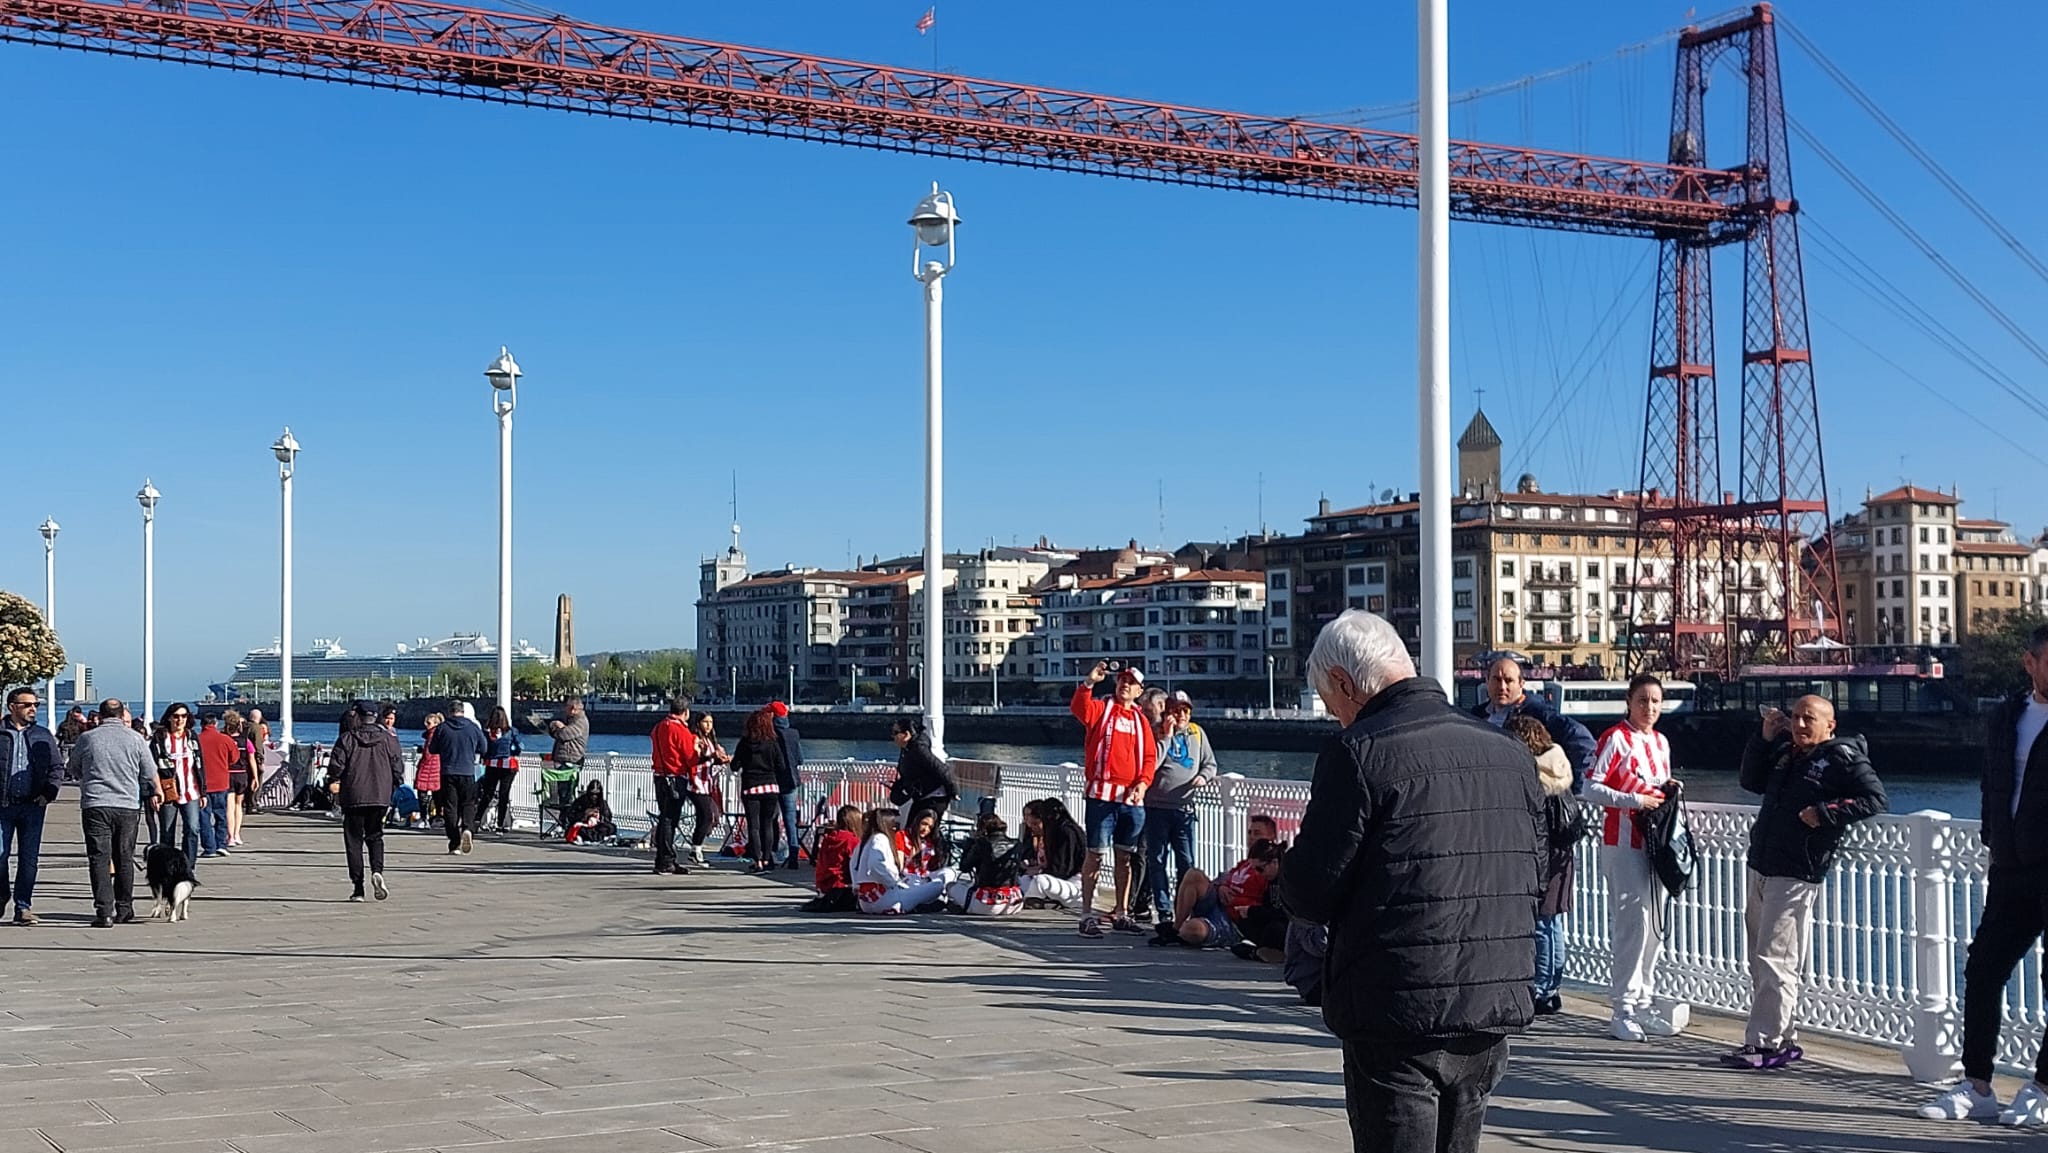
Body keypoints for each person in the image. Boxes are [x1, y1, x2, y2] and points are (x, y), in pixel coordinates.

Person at [1279, 610, 1543, 1153]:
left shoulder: (1359, 754)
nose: (1338, 720)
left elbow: (1310, 890)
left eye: (1334, 707)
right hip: (1489, 997)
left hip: (1396, 1004)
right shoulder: (1510, 755)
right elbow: (1534, 867)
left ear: (1345, 684)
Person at [1921, 621, 2048, 1123]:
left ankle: (2041, 1088)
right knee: (1983, 970)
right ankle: (1976, 1087)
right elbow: (1992, 782)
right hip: (2012, 867)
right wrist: (1994, 840)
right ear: (2030, 663)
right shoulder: (2007, 716)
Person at [1727, 695, 1886, 1071]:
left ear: (1830, 725)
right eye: (1795, 717)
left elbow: (1875, 799)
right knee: (1760, 958)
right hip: (1763, 862)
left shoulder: (1842, 757)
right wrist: (1763, 739)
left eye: (1808, 719)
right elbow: (1751, 781)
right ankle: (1782, 1036)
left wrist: (1826, 813)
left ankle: (1764, 1044)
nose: (1799, 725)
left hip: (1798, 868)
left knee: (1776, 959)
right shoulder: (1786, 752)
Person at [1582, 673, 1687, 1042]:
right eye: (1643, 701)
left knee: (1654, 926)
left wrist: (1666, 790)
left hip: (1655, 843)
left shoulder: (1660, 742)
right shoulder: (1615, 739)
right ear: (1629, 701)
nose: (1650, 708)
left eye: (1656, 701)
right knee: (1632, 924)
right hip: (1623, 842)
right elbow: (1590, 787)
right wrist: (1633, 801)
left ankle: (1643, 1000)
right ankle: (1622, 1007)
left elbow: (1658, 786)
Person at [1070, 662, 1158, 938]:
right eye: (1122, 680)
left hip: (1131, 800)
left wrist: (1142, 785)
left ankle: (1122, 912)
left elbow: (1149, 759)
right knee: (1095, 854)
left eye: (1131, 682)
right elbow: (1079, 709)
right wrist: (1089, 683)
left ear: (1139, 691)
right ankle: (1087, 914)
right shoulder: (1101, 708)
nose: (1125, 684)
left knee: (1125, 857)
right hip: (1101, 797)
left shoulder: (1141, 721)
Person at [1504, 714, 1583, 1017]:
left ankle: (1542, 988)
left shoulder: (1534, 775)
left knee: (1542, 923)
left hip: (1544, 856)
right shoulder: (1558, 768)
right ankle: (1551, 987)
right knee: (1552, 924)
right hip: (1562, 856)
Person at [74, 699, 158, 927]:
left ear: (100, 716)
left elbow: (73, 768)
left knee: (99, 858)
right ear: (122, 715)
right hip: (127, 805)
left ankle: (104, 911)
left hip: (96, 803)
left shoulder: (87, 738)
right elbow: (149, 770)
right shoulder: (135, 738)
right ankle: (124, 908)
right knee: (124, 857)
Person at [1142, 691, 1217, 924]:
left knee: (1186, 862)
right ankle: (1163, 912)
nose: (1182, 714)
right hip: (1156, 808)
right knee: (1157, 860)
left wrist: (1204, 777)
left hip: (1184, 808)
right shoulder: (1156, 733)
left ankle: (1183, 910)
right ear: (1168, 712)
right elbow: (1151, 765)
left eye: (1186, 710)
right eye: (1176, 710)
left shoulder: (1197, 733)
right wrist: (1167, 735)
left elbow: (1210, 763)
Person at [1473, 657, 1598, 792]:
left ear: (1521, 683)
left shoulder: (1538, 712)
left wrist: (1573, 787)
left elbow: (1583, 742)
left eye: (1509, 681)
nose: (1502, 687)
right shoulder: (1477, 715)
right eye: (1497, 680)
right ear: (1487, 681)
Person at [325, 704, 404, 902]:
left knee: (354, 841)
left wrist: (333, 780)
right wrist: (393, 786)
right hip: (380, 796)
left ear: (358, 717)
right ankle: (377, 870)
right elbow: (398, 766)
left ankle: (358, 887)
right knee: (375, 836)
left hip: (354, 796)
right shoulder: (388, 739)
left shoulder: (347, 739)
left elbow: (336, 767)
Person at [0, 687, 63, 925]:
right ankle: (2, 894)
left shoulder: (43, 735)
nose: (33, 709)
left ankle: (23, 906)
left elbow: (57, 767)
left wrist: (50, 791)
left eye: (36, 704)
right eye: (27, 705)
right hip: (3, 805)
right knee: (0, 855)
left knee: (29, 859)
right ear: (12, 706)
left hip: (33, 805)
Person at [1168, 838, 1284, 949]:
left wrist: (1249, 911)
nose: (1252, 838)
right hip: (1218, 901)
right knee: (1194, 874)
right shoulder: (1247, 863)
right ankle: (1175, 929)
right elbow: (1224, 876)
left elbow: (1272, 909)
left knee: (1192, 930)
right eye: (1250, 833)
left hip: (1232, 919)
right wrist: (1220, 886)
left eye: (1257, 833)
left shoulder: (1272, 878)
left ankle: (1182, 931)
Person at [851, 807, 946, 914]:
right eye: (894, 824)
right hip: (885, 898)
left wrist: (856, 885)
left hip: (866, 901)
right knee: (937, 885)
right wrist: (893, 882)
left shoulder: (866, 840)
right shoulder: (880, 838)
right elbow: (876, 863)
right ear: (886, 823)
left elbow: (853, 863)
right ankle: (915, 905)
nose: (895, 828)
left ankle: (915, 904)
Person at [150, 703, 207, 870]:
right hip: (168, 791)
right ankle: (167, 868)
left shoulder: (192, 737)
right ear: (169, 717)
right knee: (167, 832)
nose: (180, 720)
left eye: (184, 716)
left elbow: (199, 764)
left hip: (191, 790)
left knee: (193, 828)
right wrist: (154, 791)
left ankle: (188, 867)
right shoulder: (160, 738)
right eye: (176, 716)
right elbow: (151, 765)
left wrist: (203, 792)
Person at [732, 707, 787, 873]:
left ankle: (757, 861)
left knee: (754, 827)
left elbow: (734, 766)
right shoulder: (773, 742)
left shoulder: (745, 743)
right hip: (770, 786)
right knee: (768, 824)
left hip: (751, 787)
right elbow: (782, 766)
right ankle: (767, 858)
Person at [428, 701, 487, 854]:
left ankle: (454, 842)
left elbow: (432, 748)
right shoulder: (473, 727)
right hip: (468, 771)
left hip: (447, 772)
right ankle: (467, 828)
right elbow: (484, 747)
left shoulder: (442, 728)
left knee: (450, 807)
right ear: (463, 711)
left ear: (449, 712)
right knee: (468, 803)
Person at [649, 700, 697, 875]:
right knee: (670, 819)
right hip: (675, 776)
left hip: (659, 776)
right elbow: (690, 757)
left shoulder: (658, 727)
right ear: (685, 711)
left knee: (664, 817)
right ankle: (667, 860)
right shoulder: (680, 730)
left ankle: (662, 859)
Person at [947, 811, 1024, 915]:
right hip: (1013, 904)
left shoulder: (982, 843)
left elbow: (964, 867)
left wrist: (970, 842)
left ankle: (962, 906)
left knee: (950, 886)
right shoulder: (1017, 844)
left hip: (987, 903)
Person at [887, 716, 956, 830]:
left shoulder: (918, 749)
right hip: (923, 796)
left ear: (906, 734)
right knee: (912, 830)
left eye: (895, 732)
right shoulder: (906, 749)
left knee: (921, 831)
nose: (892, 736)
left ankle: (935, 847)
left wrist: (953, 791)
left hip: (935, 796)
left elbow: (941, 768)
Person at [1018, 797, 1086, 909]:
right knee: (1024, 879)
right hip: (1059, 881)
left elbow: (1063, 870)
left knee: (1040, 881)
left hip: (1074, 886)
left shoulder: (1067, 832)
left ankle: (1031, 898)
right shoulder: (1053, 832)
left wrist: (1039, 871)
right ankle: (1039, 899)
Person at [802, 804, 864, 912]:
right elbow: (858, 865)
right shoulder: (852, 841)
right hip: (842, 887)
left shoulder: (828, 838)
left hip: (825, 887)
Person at [686, 712, 729, 866]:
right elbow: (694, 759)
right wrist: (710, 757)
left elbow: (710, 762)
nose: (708, 725)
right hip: (696, 783)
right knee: (706, 816)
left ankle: (696, 849)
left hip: (707, 783)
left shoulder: (710, 740)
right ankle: (696, 848)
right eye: (705, 722)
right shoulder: (696, 739)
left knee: (704, 817)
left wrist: (720, 760)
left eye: (710, 722)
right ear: (698, 723)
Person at [196, 712, 239, 858]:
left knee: (204, 817)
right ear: (215, 724)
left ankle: (209, 847)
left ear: (202, 725)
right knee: (221, 815)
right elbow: (234, 758)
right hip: (221, 782)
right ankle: (221, 844)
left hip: (202, 785)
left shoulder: (196, 740)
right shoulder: (225, 739)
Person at [476, 705, 523, 834]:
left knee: (487, 794)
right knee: (504, 794)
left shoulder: (486, 732)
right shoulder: (512, 731)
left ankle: (476, 820)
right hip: (509, 765)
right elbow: (518, 748)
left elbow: (483, 749)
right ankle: (500, 824)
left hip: (492, 764)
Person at [771, 702, 804, 870]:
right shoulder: (794, 734)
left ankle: (772, 851)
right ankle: (794, 853)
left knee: (771, 818)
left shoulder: (770, 735)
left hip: (773, 780)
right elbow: (800, 759)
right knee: (790, 819)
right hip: (792, 781)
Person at [222, 709, 261, 846]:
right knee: (239, 805)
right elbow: (252, 759)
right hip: (242, 774)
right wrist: (255, 777)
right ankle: (237, 834)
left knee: (229, 805)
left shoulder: (224, 740)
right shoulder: (246, 742)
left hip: (228, 773)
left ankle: (230, 836)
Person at [546, 697, 590, 814]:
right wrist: (555, 727)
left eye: (566, 707)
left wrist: (560, 728)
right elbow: (557, 733)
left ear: (573, 709)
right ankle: (563, 820)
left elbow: (565, 735)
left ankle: (566, 821)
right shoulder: (569, 720)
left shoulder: (580, 721)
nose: (564, 709)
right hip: (562, 760)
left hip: (572, 760)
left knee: (567, 793)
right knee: (561, 792)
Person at [414, 713, 444, 824]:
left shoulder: (432, 736)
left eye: (428, 723)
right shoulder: (438, 734)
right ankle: (438, 816)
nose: (426, 725)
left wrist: (421, 762)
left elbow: (429, 753)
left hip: (429, 767)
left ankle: (424, 817)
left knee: (422, 793)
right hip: (437, 767)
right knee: (437, 793)